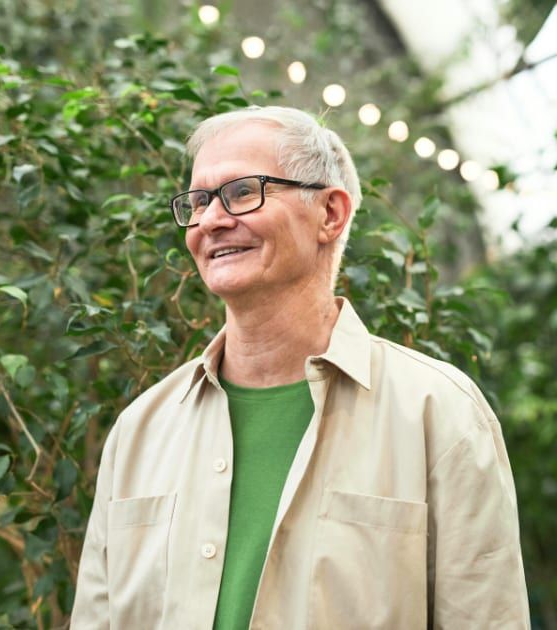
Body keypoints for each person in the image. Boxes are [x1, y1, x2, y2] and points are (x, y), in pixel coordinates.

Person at [70, 106, 529, 628]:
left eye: (242, 192)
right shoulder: (140, 430)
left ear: (330, 214)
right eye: (198, 202)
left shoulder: (438, 414)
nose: (212, 220)